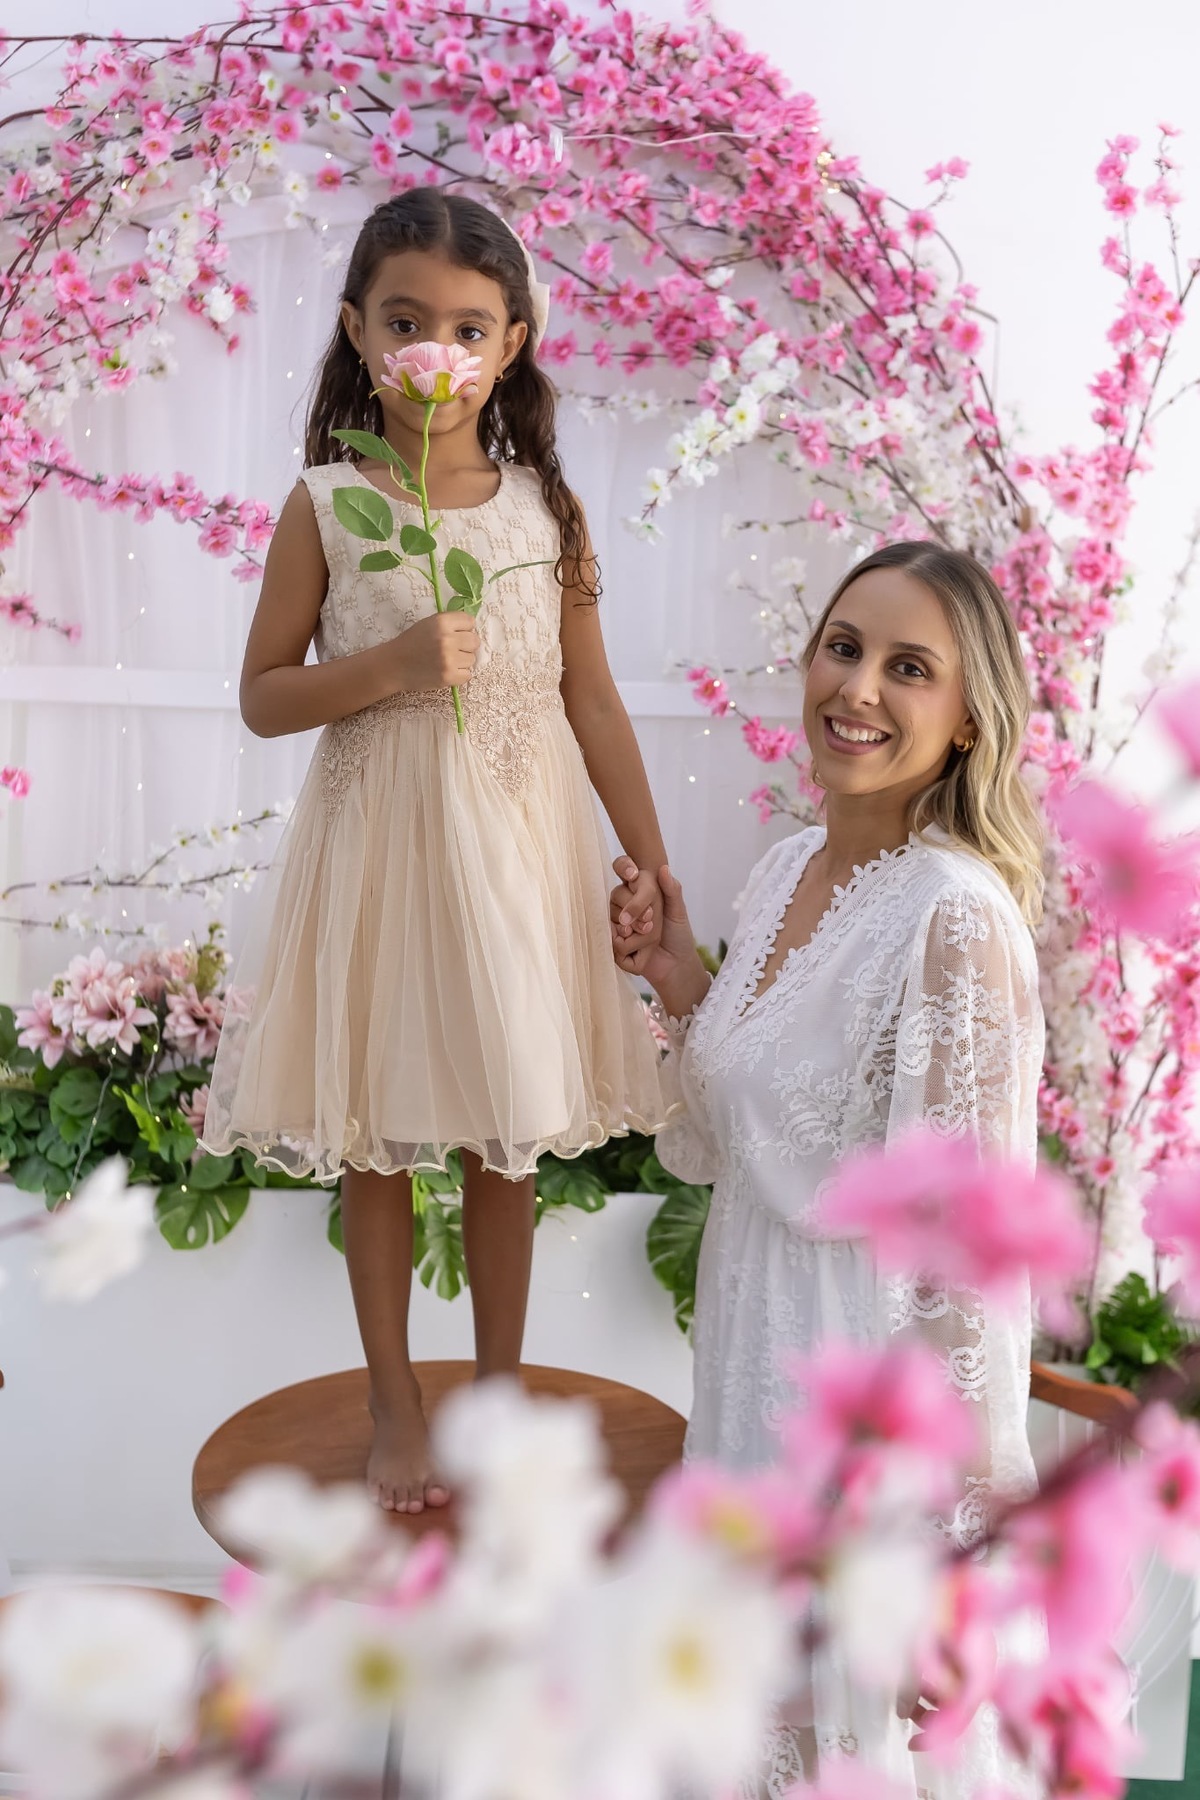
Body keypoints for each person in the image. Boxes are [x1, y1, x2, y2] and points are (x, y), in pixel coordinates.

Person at [202, 189, 670, 1514]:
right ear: (359, 331)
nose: (437, 355)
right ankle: (395, 1395)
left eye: (469, 329)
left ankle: (501, 1393)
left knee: (506, 1137)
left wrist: (649, 860)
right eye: (407, 323)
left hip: (517, 851)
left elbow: (592, 698)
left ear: (512, 344)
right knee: (379, 1134)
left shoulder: (547, 512)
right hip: (386, 854)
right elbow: (262, 695)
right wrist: (394, 666)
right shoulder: (328, 506)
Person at [611, 540, 1045, 1796]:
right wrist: (678, 976)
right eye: (844, 649)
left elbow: (970, 1272)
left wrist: (955, 1570)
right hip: (751, 1382)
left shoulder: (954, 917)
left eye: (910, 668)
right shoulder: (790, 868)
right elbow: (753, 1132)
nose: (858, 689)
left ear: (969, 720)